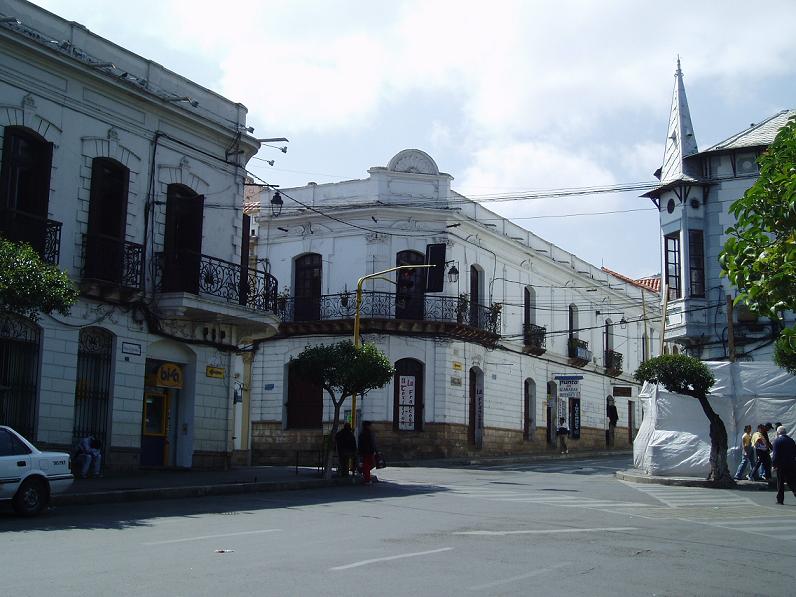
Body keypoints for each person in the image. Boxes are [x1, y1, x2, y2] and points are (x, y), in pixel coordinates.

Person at [771, 426, 796, 505]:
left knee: (780, 482)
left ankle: (780, 499)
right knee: (791, 481)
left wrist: (774, 465)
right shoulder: (791, 441)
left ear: (778, 432)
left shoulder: (777, 441)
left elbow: (775, 455)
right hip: (791, 464)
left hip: (781, 465)